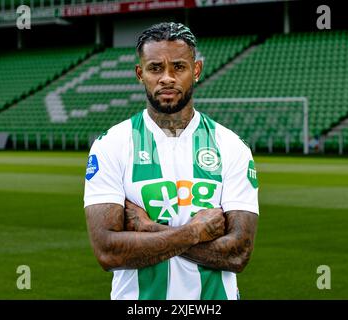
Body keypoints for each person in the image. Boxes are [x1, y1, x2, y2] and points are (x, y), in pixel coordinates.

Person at [84, 22, 259, 300]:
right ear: (140, 74)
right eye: (155, 68)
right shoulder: (111, 145)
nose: (167, 78)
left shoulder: (231, 146)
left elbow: (238, 254)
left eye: (178, 67)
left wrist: (148, 229)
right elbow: (108, 252)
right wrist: (194, 232)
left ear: (196, 70)